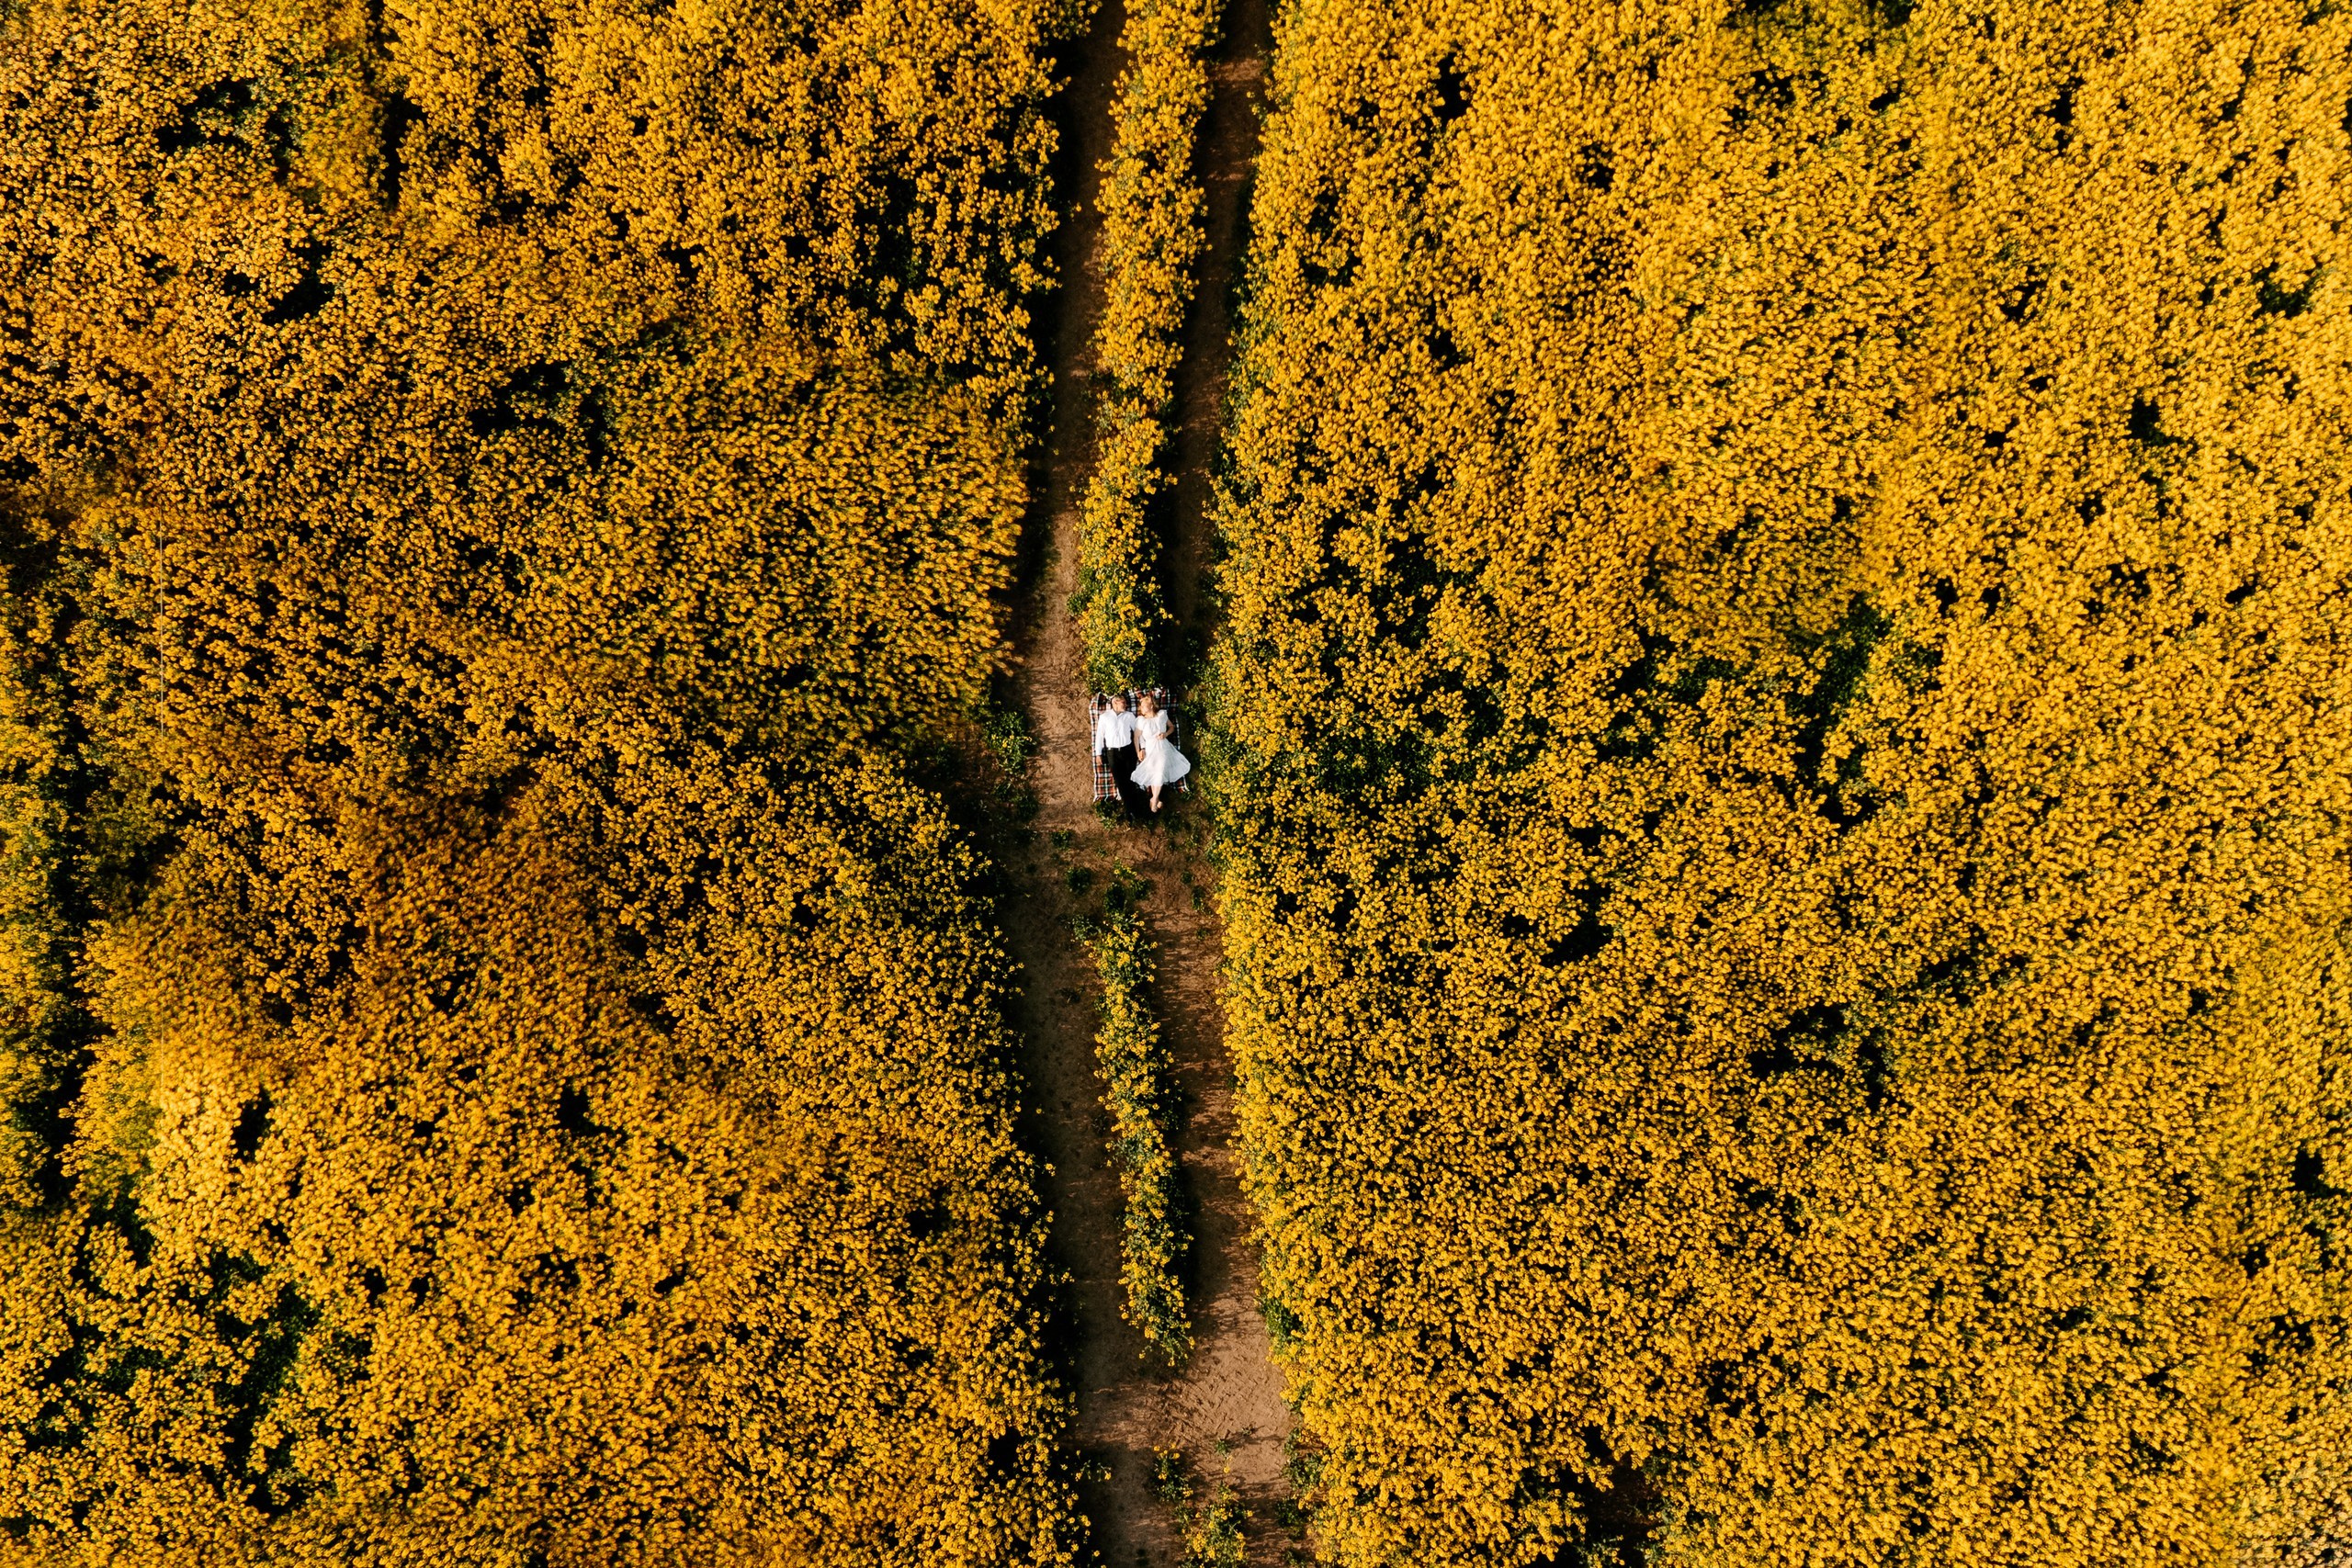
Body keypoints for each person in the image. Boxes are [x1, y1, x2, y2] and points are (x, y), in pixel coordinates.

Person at [1131, 692, 1191, 813]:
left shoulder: (1162, 715)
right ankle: (1155, 799)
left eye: (1143, 705)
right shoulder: (1141, 720)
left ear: (1151, 706)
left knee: (1160, 771)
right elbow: (1136, 737)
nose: (1141, 708)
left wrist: (1165, 734)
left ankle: (1154, 799)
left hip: (1163, 747)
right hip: (1150, 748)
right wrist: (1138, 751)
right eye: (1140, 706)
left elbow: (1172, 727)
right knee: (1154, 772)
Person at [1092, 692, 1141, 816]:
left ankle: (1133, 810)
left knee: (1130, 780)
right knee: (1120, 781)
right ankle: (1130, 810)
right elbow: (1099, 736)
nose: (1126, 704)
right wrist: (1098, 754)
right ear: (1115, 703)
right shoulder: (1105, 717)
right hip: (1112, 753)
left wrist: (1142, 749)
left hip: (1128, 751)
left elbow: (1137, 733)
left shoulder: (1129, 716)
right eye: (1123, 702)